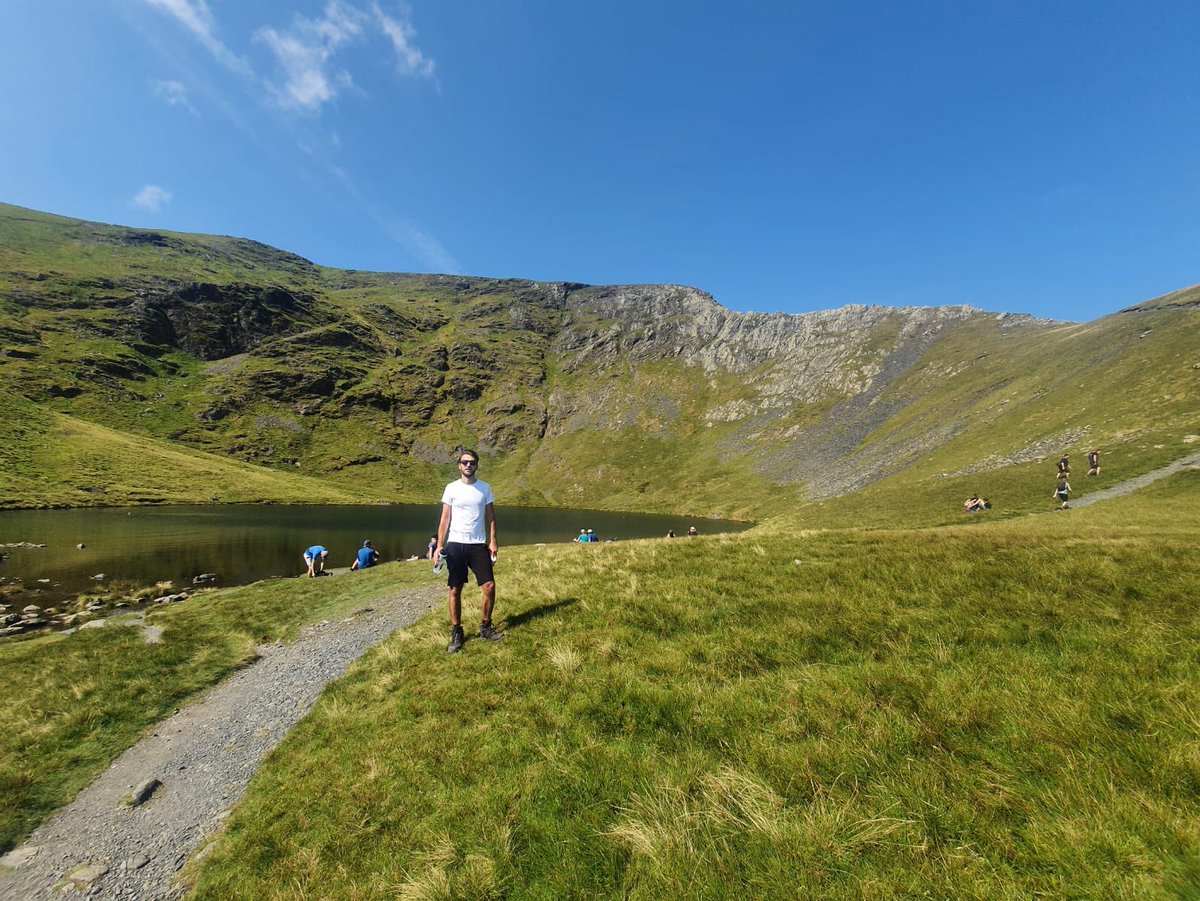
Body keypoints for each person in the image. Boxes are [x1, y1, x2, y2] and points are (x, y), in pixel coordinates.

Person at [434, 449, 501, 653]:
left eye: (472, 462)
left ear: (477, 465)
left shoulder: (485, 488)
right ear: (459, 465)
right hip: (455, 544)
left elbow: (490, 517)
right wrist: (439, 546)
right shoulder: (451, 488)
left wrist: (493, 541)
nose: (468, 466)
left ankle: (485, 627)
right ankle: (456, 632)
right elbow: (445, 518)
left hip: (478, 544)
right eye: (464, 462)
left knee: (489, 586)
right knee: (455, 589)